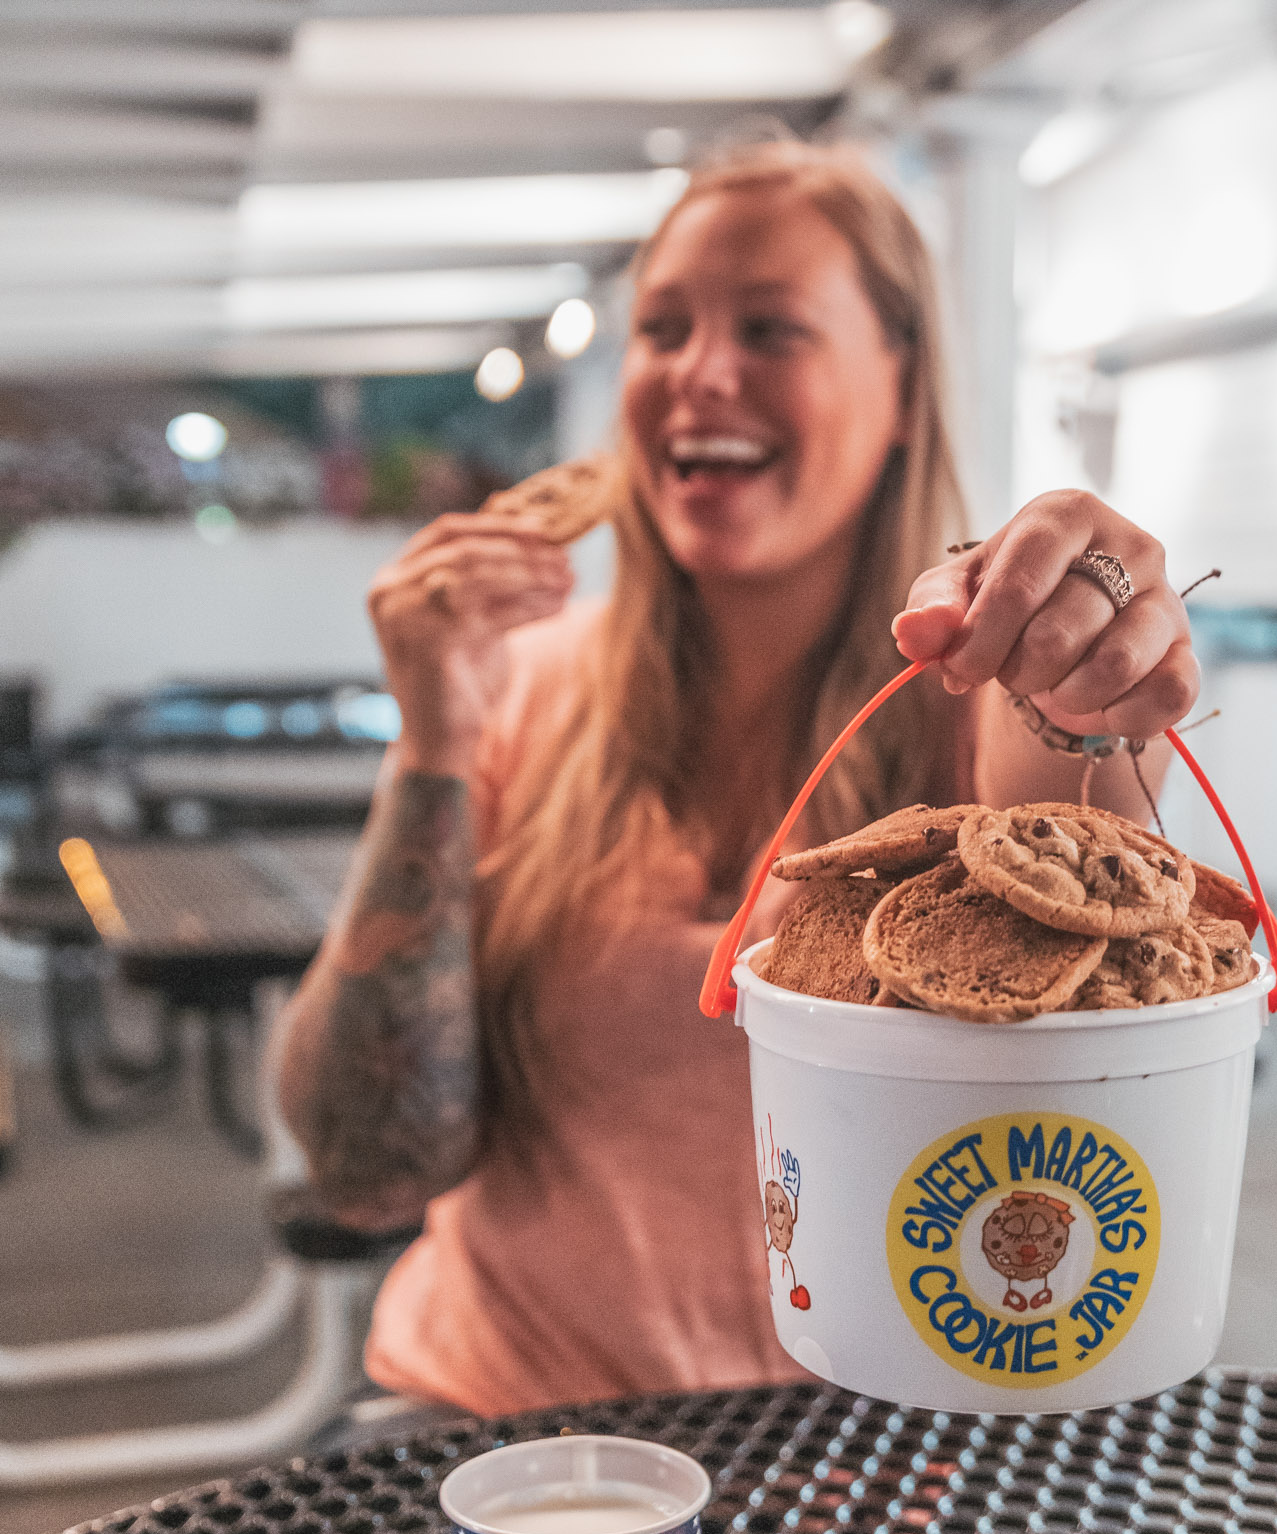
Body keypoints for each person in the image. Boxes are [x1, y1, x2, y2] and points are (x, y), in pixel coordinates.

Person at [277, 138, 1200, 1420]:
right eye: (662, 330)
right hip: (510, 1429)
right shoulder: (519, 687)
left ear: (901, 384)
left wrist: (1084, 665)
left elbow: (1066, 829)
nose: (702, 372)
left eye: (771, 328)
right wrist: (433, 742)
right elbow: (364, 1168)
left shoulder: (980, 717)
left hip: (885, 1459)